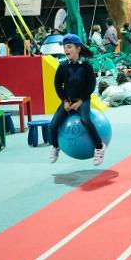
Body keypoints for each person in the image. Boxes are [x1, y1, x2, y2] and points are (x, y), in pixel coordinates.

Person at [49, 34, 105, 166]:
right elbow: (57, 85)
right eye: (65, 48)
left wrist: (81, 101)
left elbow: (91, 86)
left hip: (83, 100)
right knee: (52, 125)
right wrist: (65, 101)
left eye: (69, 47)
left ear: (78, 49)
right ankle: (55, 147)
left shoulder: (86, 66)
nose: (66, 50)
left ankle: (99, 147)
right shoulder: (62, 66)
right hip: (68, 100)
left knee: (85, 120)